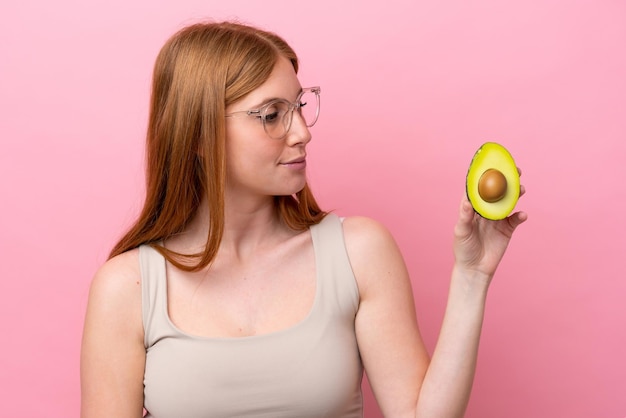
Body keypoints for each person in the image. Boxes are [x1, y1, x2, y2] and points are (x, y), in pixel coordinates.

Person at [80, 21, 527, 418]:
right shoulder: (128, 288)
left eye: (299, 106)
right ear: (199, 134)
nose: (302, 132)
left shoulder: (358, 251)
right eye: (272, 115)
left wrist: (472, 275)